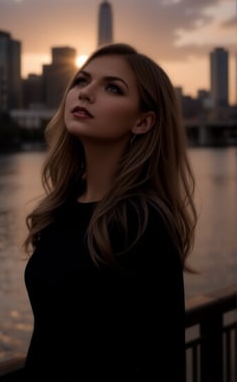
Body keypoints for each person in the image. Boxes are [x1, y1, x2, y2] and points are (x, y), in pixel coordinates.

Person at [23, 42, 197, 381]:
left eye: (112, 88)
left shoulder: (143, 221)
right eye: (81, 81)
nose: (86, 93)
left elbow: (163, 359)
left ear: (143, 122)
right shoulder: (61, 209)